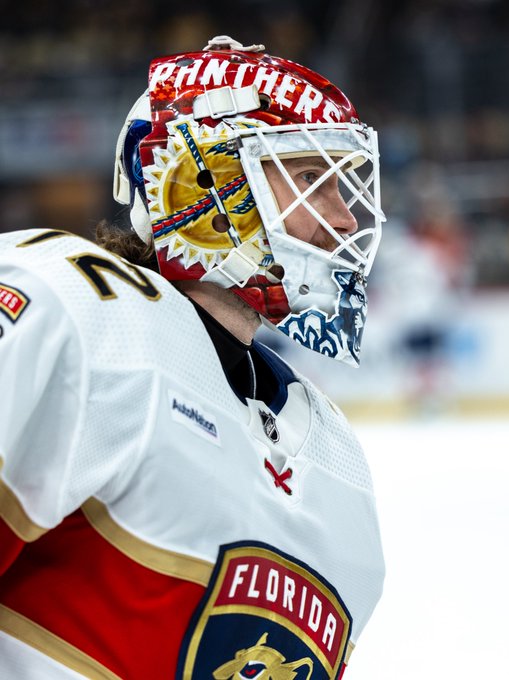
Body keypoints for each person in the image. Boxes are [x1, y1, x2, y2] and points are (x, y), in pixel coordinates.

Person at [0, 36, 386, 679]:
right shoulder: (69, 307)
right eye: (314, 179)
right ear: (204, 178)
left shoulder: (337, 463)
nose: (346, 220)